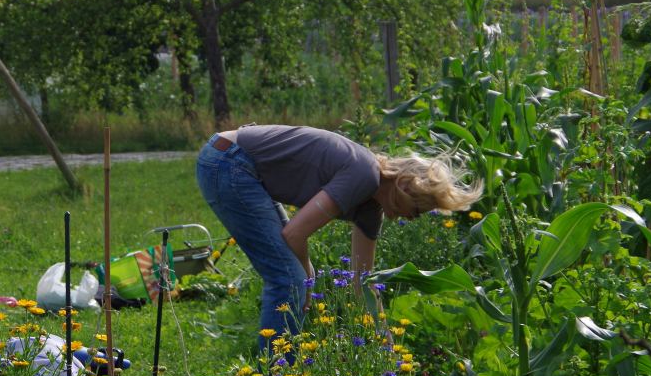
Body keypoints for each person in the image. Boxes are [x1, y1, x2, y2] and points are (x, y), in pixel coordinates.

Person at [195, 124, 481, 356]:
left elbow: (362, 283)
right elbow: (294, 233)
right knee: (290, 278)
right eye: (417, 211)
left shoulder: (371, 207)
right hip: (229, 161)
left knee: (295, 278)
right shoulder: (364, 175)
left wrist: (386, 345)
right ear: (405, 187)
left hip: (235, 162)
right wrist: (308, 272)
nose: (411, 219)